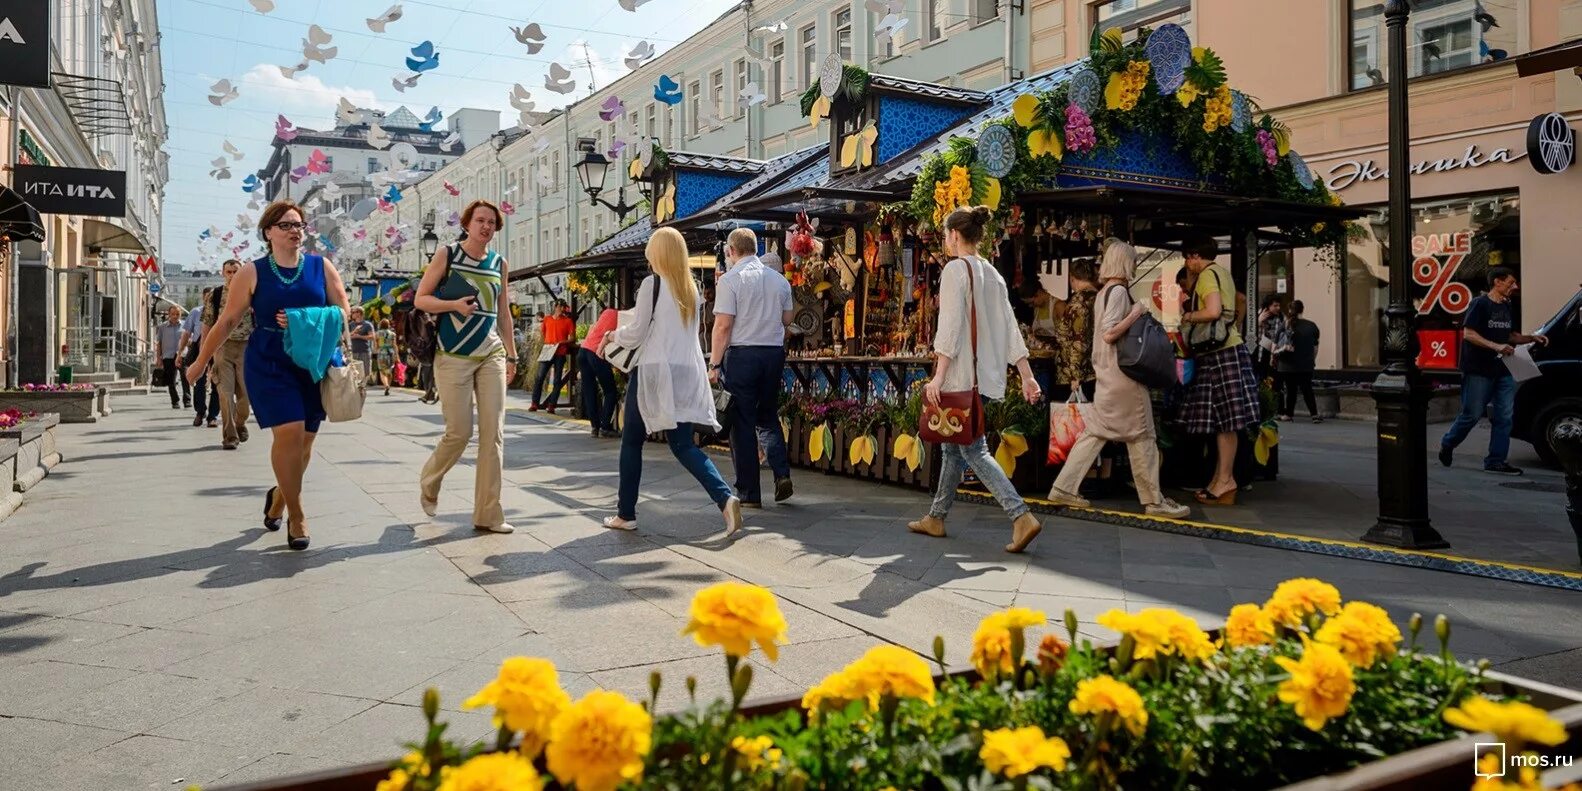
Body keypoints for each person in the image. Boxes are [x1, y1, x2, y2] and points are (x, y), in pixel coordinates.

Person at [187, 199, 353, 550]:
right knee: (289, 434)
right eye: (287, 226)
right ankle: (297, 514)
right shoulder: (253, 271)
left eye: (299, 225)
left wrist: (303, 316)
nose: (295, 231)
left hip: (311, 361)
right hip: (269, 361)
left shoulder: (321, 267)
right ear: (268, 232)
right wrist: (200, 361)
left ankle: (279, 496)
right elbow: (227, 321)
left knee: (305, 444)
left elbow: (343, 311)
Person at [906, 206, 1045, 554]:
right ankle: (936, 517)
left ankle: (1021, 515)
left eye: (944, 235)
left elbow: (949, 328)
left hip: (959, 376)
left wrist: (937, 377)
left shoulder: (955, 271)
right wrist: (1026, 375)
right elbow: (1010, 328)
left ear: (954, 235)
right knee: (955, 447)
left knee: (972, 449)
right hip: (984, 377)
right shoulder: (993, 275)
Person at [599, 227, 741, 535]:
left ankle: (626, 513)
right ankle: (724, 498)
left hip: (654, 371)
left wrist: (612, 335)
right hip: (685, 370)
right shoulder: (689, 288)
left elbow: (636, 332)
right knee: (682, 444)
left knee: (632, 441)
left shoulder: (653, 284)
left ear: (658, 252)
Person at [1046, 241, 1190, 519]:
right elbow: (1109, 333)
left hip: (1105, 376)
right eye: (1133, 260)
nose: (1135, 264)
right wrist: (1137, 312)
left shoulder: (1103, 293)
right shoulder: (1120, 292)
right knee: (1144, 435)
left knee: (1095, 432)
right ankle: (1153, 501)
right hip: (1123, 378)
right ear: (1125, 262)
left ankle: (1063, 487)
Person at [414, 200, 520, 533]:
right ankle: (429, 481)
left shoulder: (499, 263)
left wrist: (513, 355)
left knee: (494, 436)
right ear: (467, 223)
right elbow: (421, 299)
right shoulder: (447, 255)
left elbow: (503, 313)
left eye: (491, 222)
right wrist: (452, 305)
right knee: (459, 433)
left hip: (491, 354)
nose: (486, 226)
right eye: (480, 220)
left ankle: (489, 514)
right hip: (453, 354)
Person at [709, 227, 795, 508]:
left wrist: (714, 364)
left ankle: (749, 493)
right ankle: (781, 473)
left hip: (742, 355)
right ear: (755, 249)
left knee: (743, 423)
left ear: (731, 252)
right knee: (768, 415)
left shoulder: (730, 280)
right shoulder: (780, 280)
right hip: (772, 355)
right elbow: (787, 319)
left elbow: (722, 326)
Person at [1439, 267, 1548, 475]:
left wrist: (1532, 338)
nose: (1515, 287)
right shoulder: (1479, 304)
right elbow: (1469, 334)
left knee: (1505, 416)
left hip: (1503, 369)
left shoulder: (1507, 306)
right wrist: (1496, 346)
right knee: (1471, 414)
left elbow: (1510, 336)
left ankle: (1496, 461)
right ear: (1497, 282)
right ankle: (1448, 443)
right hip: (1479, 369)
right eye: (1511, 282)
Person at [1178, 236, 1262, 506]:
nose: (1186, 263)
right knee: (1224, 420)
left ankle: (1225, 480)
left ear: (1194, 255)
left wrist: (1189, 316)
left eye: (1186, 257)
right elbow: (1238, 300)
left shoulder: (1205, 275)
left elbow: (1213, 311)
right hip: (1228, 349)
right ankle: (1219, 479)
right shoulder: (1222, 272)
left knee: (1226, 421)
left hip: (1220, 353)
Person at [203, 259, 254, 449]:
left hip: (247, 348)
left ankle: (240, 422)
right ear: (223, 273)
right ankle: (230, 436)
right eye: (229, 272)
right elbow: (207, 324)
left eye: (236, 271)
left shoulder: (251, 293)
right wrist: (204, 355)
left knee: (246, 397)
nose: (232, 275)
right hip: (222, 348)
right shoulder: (215, 295)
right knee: (225, 393)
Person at [1052, 258, 1098, 400]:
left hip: (1076, 374)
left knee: (1074, 420)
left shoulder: (1079, 303)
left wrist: (1075, 376)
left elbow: (1079, 339)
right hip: (1096, 369)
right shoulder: (1099, 297)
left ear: (1072, 278)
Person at [179, 289, 221, 429]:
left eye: (212, 298)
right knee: (199, 381)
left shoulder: (223, 311)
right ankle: (200, 412)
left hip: (219, 348)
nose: (209, 300)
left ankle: (213, 416)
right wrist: (180, 352)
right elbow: (187, 333)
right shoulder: (196, 312)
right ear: (203, 298)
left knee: (217, 383)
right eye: (207, 298)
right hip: (200, 348)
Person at [578, 305, 621, 438]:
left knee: (590, 391)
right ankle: (605, 426)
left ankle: (594, 428)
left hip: (583, 351)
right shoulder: (621, 317)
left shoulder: (605, 315)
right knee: (610, 391)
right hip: (596, 353)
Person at [1278, 300, 1321, 423]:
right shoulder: (1311, 326)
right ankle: (1314, 414)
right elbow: (1315, 347)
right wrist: (1311, 360)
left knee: (1290, 391)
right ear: (1303, 309)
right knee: (1307, 390)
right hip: (1305, 364)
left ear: (1289, 310)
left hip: (1286, 365)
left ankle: (1288, 414)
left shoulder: (1285, 324)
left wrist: (1273, 358)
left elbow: (1276, 344)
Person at [530, 300, 574, 412]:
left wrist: (561, 342)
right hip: (548, 350)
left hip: (560, 352)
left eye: (563, 307)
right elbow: (543, 333)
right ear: (555, 307)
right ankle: (534, 403)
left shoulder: (568, 321)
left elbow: (572, 338)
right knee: (539, 377)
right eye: (560, 307)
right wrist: (549, 342)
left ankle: (551, 405)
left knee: (557, 381)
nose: (562, 309)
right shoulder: (547, 319)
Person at [157, 307, 186, 409]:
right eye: (173, 314)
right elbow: (159, 343)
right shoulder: (162, 327)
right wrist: (159, 358)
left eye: (177, 314)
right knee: (171, 380)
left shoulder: (185, 325)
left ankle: (187, 400)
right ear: (168, 314)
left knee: (185, 378)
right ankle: (175, 401)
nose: (175, 316)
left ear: (180, 314)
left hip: (182, 355)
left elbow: (189, 339)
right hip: (168, 356)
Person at [348, 306, 376, 385]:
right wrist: (354, 332)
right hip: (353, 352)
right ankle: (356, 388)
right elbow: (345, 336)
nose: (352, 314)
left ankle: (362, 386)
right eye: (352, 312)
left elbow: (372, 337)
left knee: (366, 371)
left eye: (353, 312)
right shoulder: (351, 325)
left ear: (359, 313)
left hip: (364, 351)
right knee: (353, 372)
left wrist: (359, 336)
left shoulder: (367, 325)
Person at [375, 318, 397, 396]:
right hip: (390, 353)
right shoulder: (392, 334)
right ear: (388, 325)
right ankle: (388, 386)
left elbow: (376, 345)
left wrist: (377, 350)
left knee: (382, 371)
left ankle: (386, 385)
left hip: (381, 352)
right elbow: (394, 345)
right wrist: (397, 356)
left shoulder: (377, 334)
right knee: (389, 371)